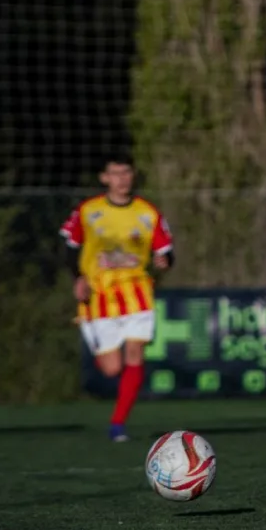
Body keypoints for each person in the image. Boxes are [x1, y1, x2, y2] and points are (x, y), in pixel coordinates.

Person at [59, 152, 174, 442]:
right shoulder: (88, 210)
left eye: (126, 173)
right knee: (112, 368)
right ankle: (100, 348)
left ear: (132, 175)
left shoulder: (147, 212)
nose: (121, 179)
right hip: (100, 295)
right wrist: (78, 279)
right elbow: (70, 249)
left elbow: (166, 252)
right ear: (104, 178)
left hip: (137, 292)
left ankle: (118, 424)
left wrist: (165, 261)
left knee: (135, 354)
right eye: (115, 174)